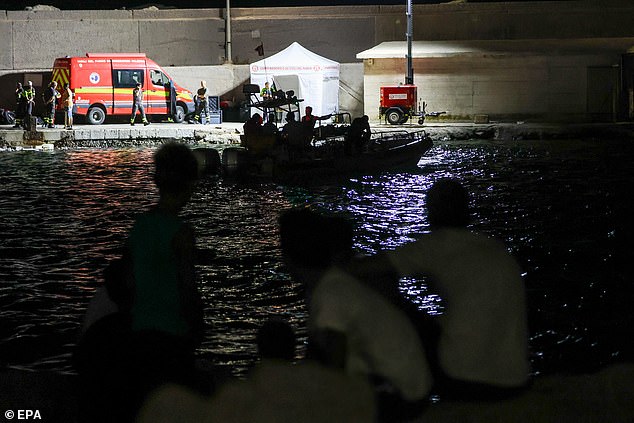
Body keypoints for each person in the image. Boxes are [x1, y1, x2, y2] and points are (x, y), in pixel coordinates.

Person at [356, 178, 530, 401]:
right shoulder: (494, 247)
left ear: (431, 212)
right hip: (515, 378)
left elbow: (365, 269)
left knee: (380, 282)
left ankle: (394, 395)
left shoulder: (436, 245)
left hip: (464, 379)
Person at [279, 208, 431, 422]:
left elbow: (334, 365)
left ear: (287, 259)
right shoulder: (333, 284)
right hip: (405, 381)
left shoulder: (330, 293)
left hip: (400, 393)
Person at [126, 142, 206, 412]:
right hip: (173, 336)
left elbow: (130, 278)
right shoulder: (182, 233)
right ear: (190, 184)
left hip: (140, 333)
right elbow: (187, 287)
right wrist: (198, 327)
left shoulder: (140, 225)